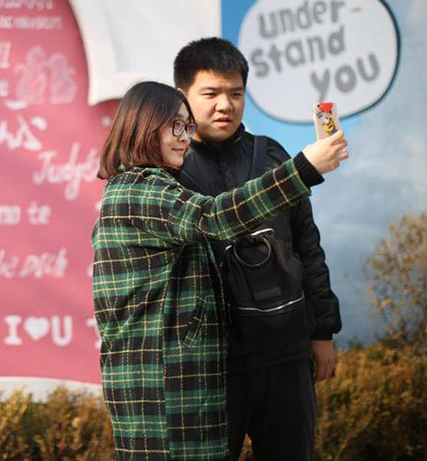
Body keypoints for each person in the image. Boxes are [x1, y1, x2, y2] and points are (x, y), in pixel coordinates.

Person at [92, 81, 347, 460]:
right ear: (144, 126)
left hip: (176, 394)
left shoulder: (146, 188)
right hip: (165, 401)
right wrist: (303, 169)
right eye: (175, 126)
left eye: (186, 127)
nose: (184, 138)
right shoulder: (139, 191)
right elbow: (214, 217)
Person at [173, 37, 342, 460]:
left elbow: (307, 244)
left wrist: (322, 331)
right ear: (182, 97)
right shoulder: (168, 170)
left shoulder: (270, 155)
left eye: (235, 93)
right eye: (210, 94)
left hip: (285, 351)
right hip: (211, 362)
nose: (224, 105)